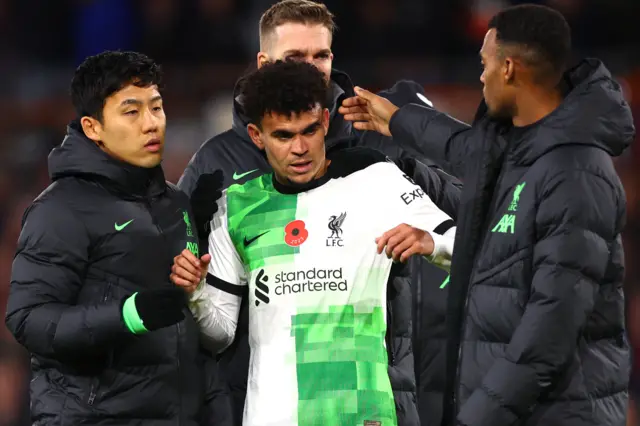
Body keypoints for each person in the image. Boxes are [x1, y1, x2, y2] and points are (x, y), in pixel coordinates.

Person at [340, 4, 634, 426]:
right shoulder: (523, 150)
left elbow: (548, 332)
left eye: (484, 63)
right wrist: (399, 120)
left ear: (509, 68)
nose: (480, 76)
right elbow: (468, 150)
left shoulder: (576, 173)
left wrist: (476, 417)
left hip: (558, 412)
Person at [177, 1, 461, 425]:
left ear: (325, 124)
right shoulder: (221, 179)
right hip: (261, 399)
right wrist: (192, 290)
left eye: (321, 55)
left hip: (375, 391)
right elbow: (214, 319)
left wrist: (410, 159)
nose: (312, 70)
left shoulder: (378, 157)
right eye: (296, 58)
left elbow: (470, 221)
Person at [4, 51, 214, 426]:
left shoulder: (175, 203)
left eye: (157, 108)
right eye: (131, 112)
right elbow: (28, 320)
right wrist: (128, 315)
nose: (151, 124)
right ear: (92, 127)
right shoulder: (61, 208)